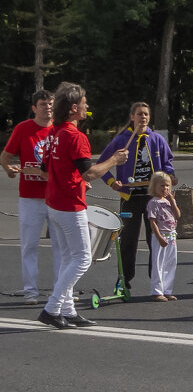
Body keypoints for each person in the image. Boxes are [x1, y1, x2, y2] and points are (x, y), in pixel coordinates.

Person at [38, 82, 129, 328]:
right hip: (69, 204)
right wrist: (113, 160)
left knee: (69, 257)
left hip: (54, 202)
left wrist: (73, 178)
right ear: (74, 108)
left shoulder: (54, 133)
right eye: (85, 102)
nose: (88, 106)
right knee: (82, 258)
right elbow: (89, 173)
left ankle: (67, 310)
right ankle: (52, 307)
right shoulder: (75, 136)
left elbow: (47, 169)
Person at [99, 102, 177, 295]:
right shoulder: (121, 140)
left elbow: (168, 163)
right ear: (132, 117)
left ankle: (158, 285)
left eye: (146, 115)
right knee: (128, 241)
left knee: (157, 241)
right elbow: (101, 164)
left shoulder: (156, 139)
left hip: (154, 198)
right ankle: (123, 281)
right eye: (139, 114)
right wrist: (112, 182)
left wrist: (170, 176)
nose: (143, 117)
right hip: (130, 196)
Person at [1, 89, 54, 305]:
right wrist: (9, 169)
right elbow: (5, 157)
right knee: (30, 246)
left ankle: (61, 290)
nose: (48, 107)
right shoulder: (24, 129)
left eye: (51, 103)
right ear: (34, 108)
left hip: (56, 198)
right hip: (30, 198)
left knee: (61, 246)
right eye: (43, 104)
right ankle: (30, 291)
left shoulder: (61, 129)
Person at [146, 171, 181, 302]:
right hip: (160, 236)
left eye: (167, 186)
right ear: (154, 187)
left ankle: (167, 290)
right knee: (158, 264)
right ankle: (157, 291)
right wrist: (159, 237)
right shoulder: (153, 202)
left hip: (172, 236)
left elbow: (177, 215)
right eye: (162, 186)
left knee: (170, 263)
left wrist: (172, 201)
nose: (165, 188)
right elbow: (152, 222)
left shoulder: (169, 201)